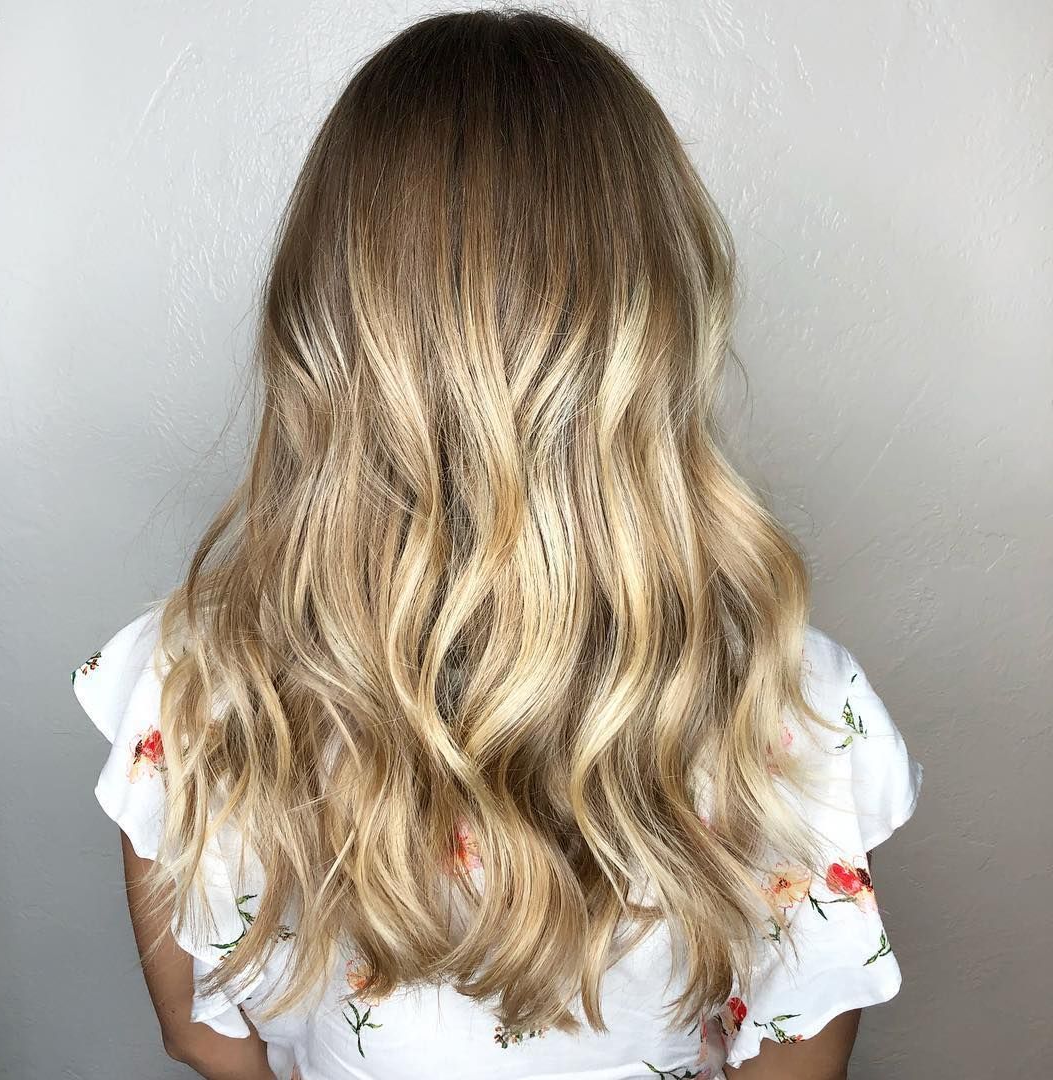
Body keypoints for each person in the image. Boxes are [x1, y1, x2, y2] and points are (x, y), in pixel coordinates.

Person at [71, 9, 922, 1079]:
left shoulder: (194, 686)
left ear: (327, 316)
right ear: (655, 322)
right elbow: (797, 1060)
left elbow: (202, 1034)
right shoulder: (788, 709)